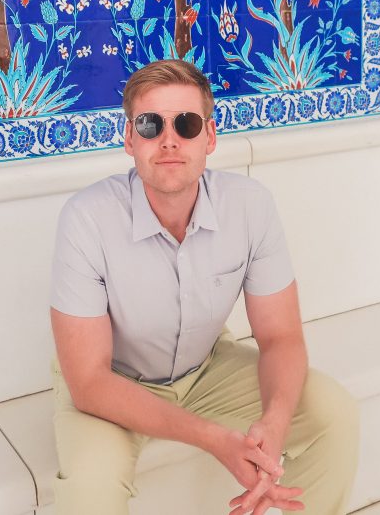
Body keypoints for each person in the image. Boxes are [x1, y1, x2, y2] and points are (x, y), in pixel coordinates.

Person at [50, 60, 360, 515]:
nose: (170, 140)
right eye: (151, 125)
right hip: (112, 381)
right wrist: (213, 438)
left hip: (206, 365)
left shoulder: (251, 206)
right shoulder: (86, 219)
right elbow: (89, 381)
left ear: (210, 137)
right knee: (89, 491)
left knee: (334, 413)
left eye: (187, 124)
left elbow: (281, 338)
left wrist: (272, 429)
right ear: (129, 138)